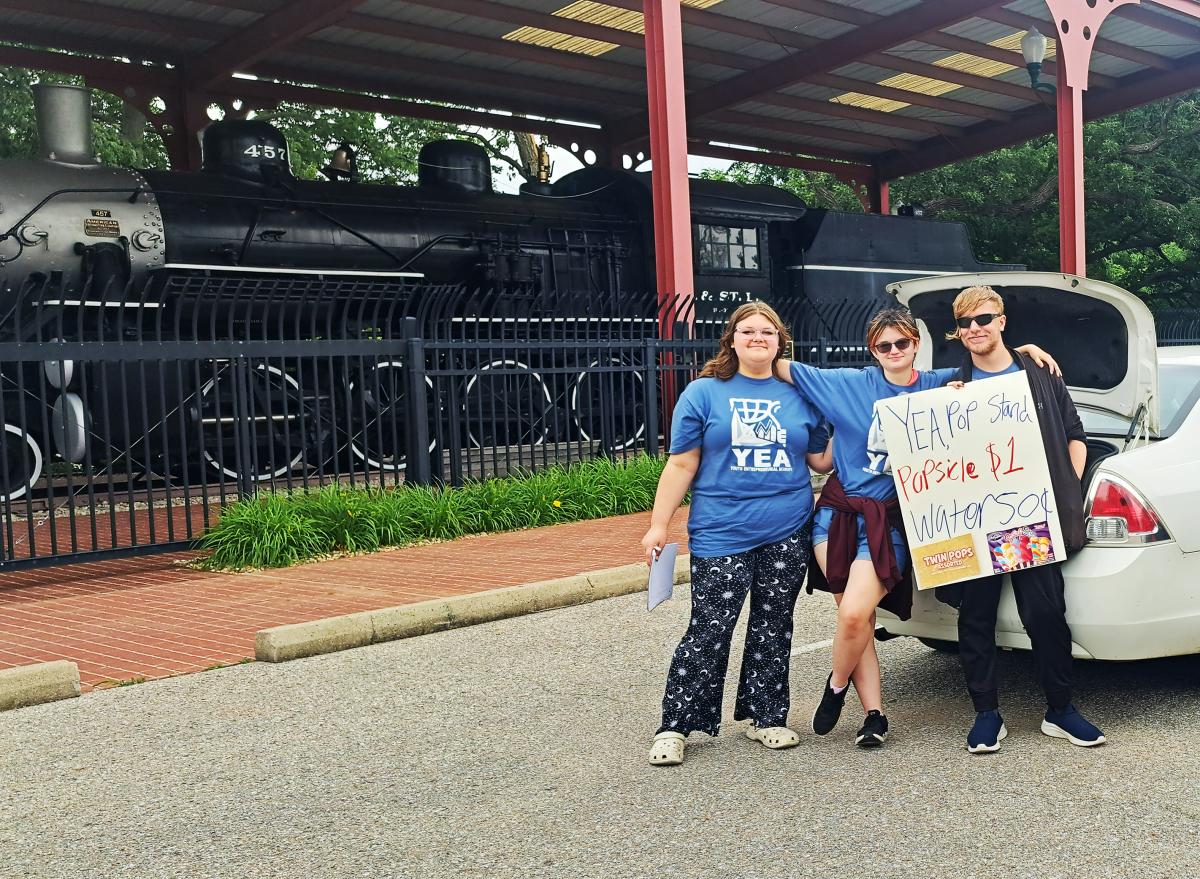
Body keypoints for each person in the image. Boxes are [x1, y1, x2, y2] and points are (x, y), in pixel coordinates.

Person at [773, 308, 1059, 748]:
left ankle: (835, 683)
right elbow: (780, 364)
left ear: (915, 346)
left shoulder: (938, 383)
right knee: (856, 616)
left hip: (888, 522)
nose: (893, 352)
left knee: (853, 614)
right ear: (873, 350)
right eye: (883, 346)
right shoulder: (848, 383)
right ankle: (874, 714)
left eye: (901, 344)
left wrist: (1023, 350)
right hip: (838, 516)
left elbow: (989, 363)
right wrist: (748, 346)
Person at [641, 301, 833, 767]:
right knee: (710, 627)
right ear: (732, 340)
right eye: (747, 332)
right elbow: (682, 462)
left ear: (779, 341)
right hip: (721, 529)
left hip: (787, 527)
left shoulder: (801, 395)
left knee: (773, 625)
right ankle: (675, 725)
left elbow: (819, 462)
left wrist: (861, 432)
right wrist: (658, 525)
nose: (757, 339)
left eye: (767, 332)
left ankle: (766, 716)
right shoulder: (704, 393)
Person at [944, 285, 1104, 753]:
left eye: (985, 319)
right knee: (976, 618)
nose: (976, 329)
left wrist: (1067, 489)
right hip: (976, 522)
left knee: (1046, 613)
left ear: (1002, 321)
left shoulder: (1039, 373)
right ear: (958, 331)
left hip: (1028, 520)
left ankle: (1060, 710)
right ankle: (986, 714)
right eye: (967, 323)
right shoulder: (952, 388)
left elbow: (1076, 435)